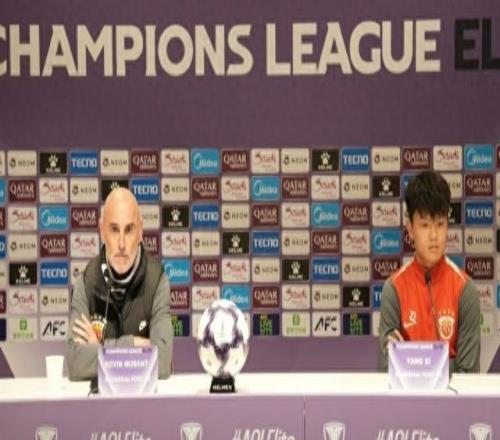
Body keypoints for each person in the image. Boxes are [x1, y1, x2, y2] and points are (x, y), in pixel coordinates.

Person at [66, 187, 173, 380]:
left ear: (140, 231)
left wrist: (99, 350)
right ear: (102, 230)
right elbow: (76, 364)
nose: (121, 244)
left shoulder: (157, 282)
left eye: (129, 230)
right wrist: (133, 344)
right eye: (114, 230)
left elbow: (163, 362)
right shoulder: (86, 282)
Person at [378, 171, 480, 373]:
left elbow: (468, 374)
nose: (434, 235)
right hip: (406, 396)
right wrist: (447, 362)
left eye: (440, 224)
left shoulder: (465, 290)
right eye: (425, 225)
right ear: (410, 229)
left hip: (453, 396)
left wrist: (410, 358)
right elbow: (388, 370)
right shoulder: (394, 289)